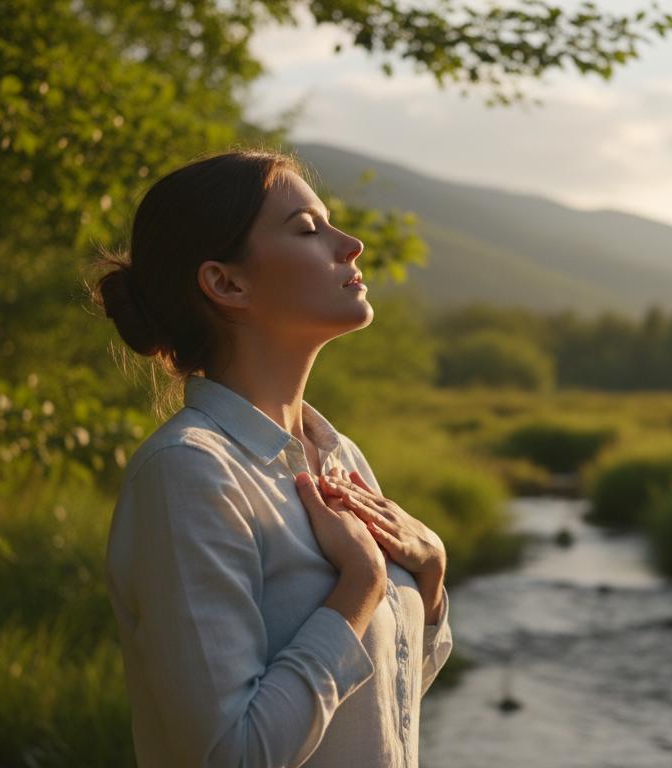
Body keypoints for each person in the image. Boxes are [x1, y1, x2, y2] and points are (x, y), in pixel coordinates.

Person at [90, 148, 453, 767]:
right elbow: (231, 755)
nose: (352, 245)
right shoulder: (189, 472)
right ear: (227, 283)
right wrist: (360, 585)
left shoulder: (340, 457)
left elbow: (381, 709)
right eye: (309, 230)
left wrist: (433, 576)